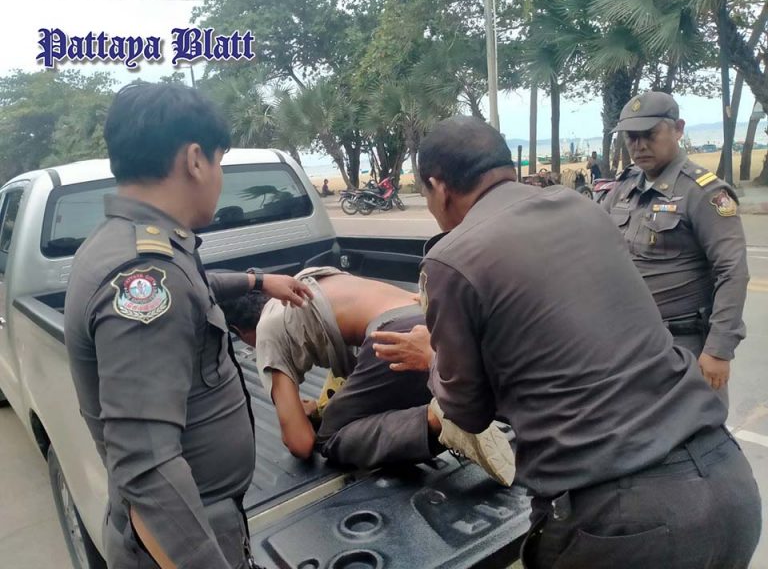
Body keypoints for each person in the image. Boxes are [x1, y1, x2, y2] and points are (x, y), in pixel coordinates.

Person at [373, 115, 761, 568]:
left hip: (625, 524)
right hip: (728, 482)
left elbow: (468, 412)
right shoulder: (584, 209)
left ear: (438, 187)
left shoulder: (451, 259)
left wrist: (433, 357)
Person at [64, 82, 313, 569]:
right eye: (220, 162)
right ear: (196, 160)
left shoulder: (132, 244)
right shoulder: (144, 273)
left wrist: (257, 281)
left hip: (199, 521)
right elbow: (147, 468)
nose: (219, 177)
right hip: (185, 539)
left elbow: (193, 287)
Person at [217, 267, 515, 484]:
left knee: (331, 437)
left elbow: (301, 443)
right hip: (431, 322)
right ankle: (465, 403)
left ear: (237, 331)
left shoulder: (267, 332)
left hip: (395, 337)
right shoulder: (310, 277)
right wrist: (320, 408)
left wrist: (301, 419)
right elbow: (357, 371)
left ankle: (440, 421)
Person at [603, 91, 749, 400]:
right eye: (631, 137)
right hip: (630, 344)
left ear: (678, 129)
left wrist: (719, 350)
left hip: (684, 346)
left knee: (695, 427)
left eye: (649, 134)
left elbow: (732, 271)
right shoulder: (624, 188)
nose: (639, 145)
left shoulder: (703, 192)